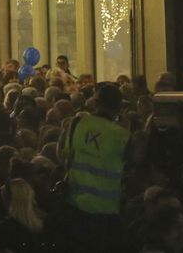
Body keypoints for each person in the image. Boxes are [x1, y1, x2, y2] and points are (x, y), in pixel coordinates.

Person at [59, 81, 129, 250]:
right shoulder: (122, 135)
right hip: (107, 211)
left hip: (75, 205)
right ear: (119, 108)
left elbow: (62, 156)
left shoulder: (77, 124)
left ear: (96, 103)